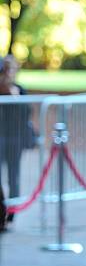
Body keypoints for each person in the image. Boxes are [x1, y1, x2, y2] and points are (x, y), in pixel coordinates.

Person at [0, 54, 35, 225]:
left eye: (11, 69)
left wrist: (15, 98)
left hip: (14, 139)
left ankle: (12, 212)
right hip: (1, 138)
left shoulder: (20, 90)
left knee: (13, 177)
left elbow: (26, 114)